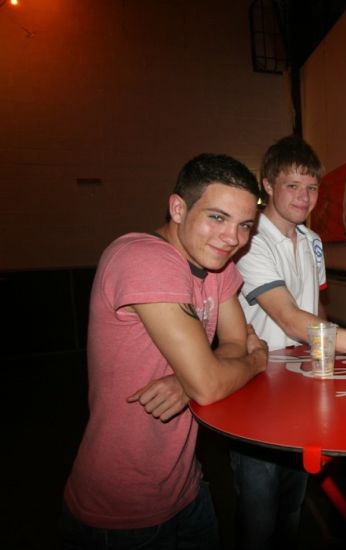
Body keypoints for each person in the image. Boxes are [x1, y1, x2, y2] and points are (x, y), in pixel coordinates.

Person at [60, 154, 269, 549]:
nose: (232, 238)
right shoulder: (143, 258)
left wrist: (187, 380)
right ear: (178, 208)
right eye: (217, 217)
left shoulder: (218, 267)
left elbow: (232, 343)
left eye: (245, 225)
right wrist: (254, 362)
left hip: (187, 487)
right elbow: (214, 380)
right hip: (120, 511)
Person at [232, 134, 346, 549]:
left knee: (292, 503)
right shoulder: (248, 241)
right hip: (254, 385)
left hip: (301, 384)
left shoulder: (312, 241)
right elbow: (289, 318)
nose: (304, 197)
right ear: (267, 185)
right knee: (258, 515)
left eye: (311, 187)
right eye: (292, 185)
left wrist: (332, 364)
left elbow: (316, 309)